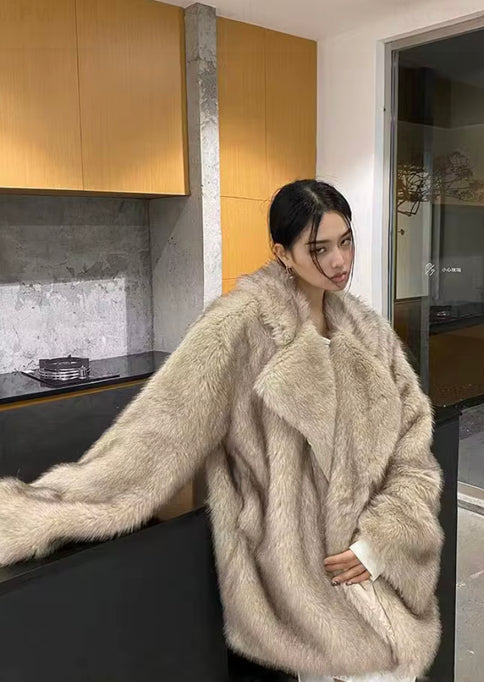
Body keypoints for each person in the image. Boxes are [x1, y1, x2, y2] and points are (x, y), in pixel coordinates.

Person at [0, 180, 444, 682]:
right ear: (283, 253)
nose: (340, 261)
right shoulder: (237, 328)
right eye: (319, 249)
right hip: (301, 586)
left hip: (377, 569)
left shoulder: (368, 331)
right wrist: (34, 515)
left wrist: (383, 540)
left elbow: (413, 447)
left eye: (346, 242)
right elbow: (158, 434)